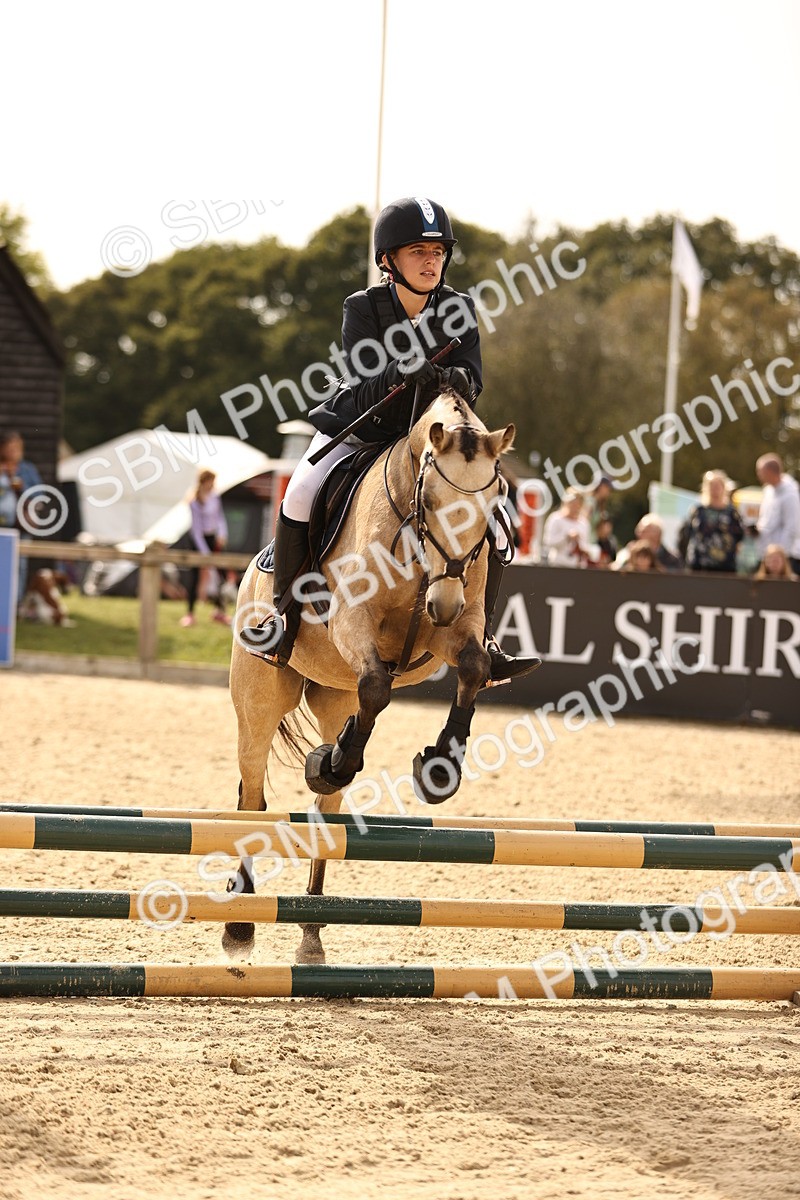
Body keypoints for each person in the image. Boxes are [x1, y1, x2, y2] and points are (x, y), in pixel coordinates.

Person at [239, 196, 540, 685]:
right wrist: (402, 371)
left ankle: (483, 637)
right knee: (300, 491)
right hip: (364, 430)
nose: (430, 261)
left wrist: (453, 378)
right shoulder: (362, 308)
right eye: (418, 251)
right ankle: (282, 618)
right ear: (388, 260)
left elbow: (473, 378)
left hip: (430, 446)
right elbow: (363, 385)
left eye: (437, 252)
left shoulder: (459, 308)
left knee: (500, 525)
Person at [181, 469, 230, 627]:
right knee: (194, 577)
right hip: (198, 542)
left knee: (220, 575)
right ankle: (190, 613)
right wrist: (205, 553)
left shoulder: (215, 497)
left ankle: (219, 610)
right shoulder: (194, 501)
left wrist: (222, 534)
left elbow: (219, 518)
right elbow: (196, 531)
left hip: (212, 539)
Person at [0, 431, 45, 603]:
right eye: (10, 448)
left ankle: (14, 605)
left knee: (19, 565)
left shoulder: (27, 469)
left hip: (20, 525)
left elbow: (40, 497)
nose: (14, 452)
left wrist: (20, 486)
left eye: (17, 448)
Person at [679, 470, 743, 572]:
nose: (715, 490)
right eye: (712, 486)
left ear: (724, 488)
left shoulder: (732, 513)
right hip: (699, 565)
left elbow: (740, 537)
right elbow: (686, 535)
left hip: (725, 567)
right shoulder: (697, 511)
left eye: (718, 486)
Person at [755, 454, 800, 575]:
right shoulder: (768, 491)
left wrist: (780, 556)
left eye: (760, 471)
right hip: (768, 556)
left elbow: (792, 528)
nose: (758, 475)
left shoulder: (790, 495)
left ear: (770, 472)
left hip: (785, 559)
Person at [612, 514, 682, 572]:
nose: (639, 535)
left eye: (644, 531)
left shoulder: (672, 560)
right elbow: (615, 568)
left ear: (657, 534)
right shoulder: (628, 552)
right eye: (638, 531)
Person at [542, 490, 591, 567]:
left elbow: (585, 544)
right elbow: (548, 542)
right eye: (572, 503)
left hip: (578, 566)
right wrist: (567, 537)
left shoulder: (584, 523)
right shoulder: (555, 519)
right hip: (558, 565)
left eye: (578, 503)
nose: (575, 506)